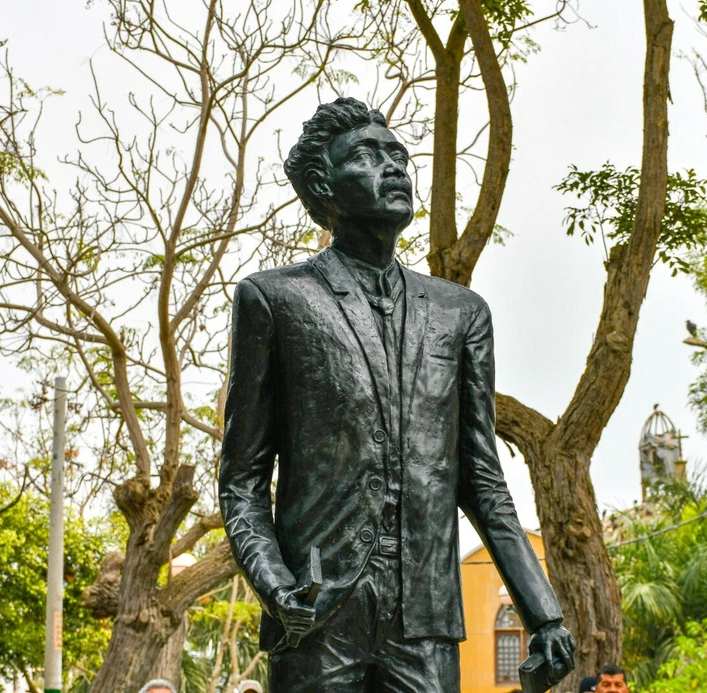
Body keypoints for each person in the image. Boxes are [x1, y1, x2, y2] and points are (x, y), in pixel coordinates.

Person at [218, 96, 575, 691]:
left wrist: (543, 612)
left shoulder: (460, 313)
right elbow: (242, 479)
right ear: (321, 183)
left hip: (426, 613)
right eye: (367, 155)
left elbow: (481, 478)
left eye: (398, 157)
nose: (394, 169)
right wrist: (275, 585)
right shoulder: (274, 300)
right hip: (317, 613)